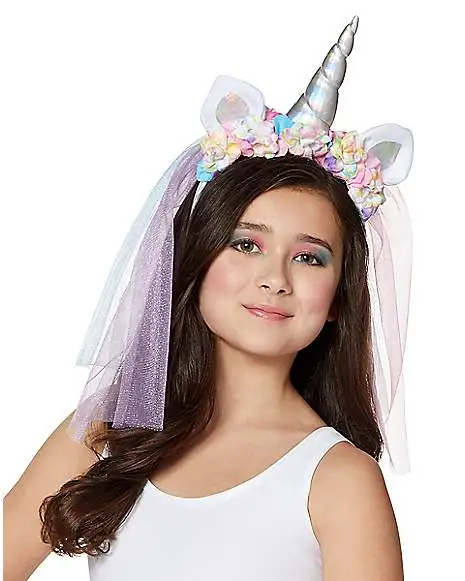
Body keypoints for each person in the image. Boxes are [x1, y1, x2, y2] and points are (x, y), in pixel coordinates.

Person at [3, 16, 413, 581]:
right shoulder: (108, 434)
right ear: (194, 258)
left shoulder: (339, 481)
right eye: (246, 244)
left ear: (340, 297)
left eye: (309, 257)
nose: (275, 278)